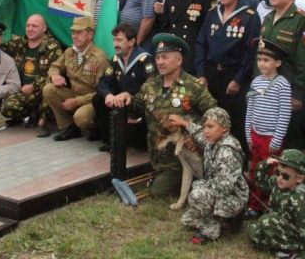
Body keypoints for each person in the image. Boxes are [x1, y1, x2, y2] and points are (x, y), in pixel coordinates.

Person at [120, 33, 217, 197]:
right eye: (157, 57)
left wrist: (197, 138)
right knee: (155, 185)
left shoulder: (193, 86)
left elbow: (214, 116)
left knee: (157, 194)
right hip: (155, 155)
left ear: (179, 60)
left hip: (179, 159)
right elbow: (137, 107)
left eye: (165, 57)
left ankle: (193, 181)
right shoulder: (151, 84)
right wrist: (127, 98)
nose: (159, 62)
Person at [0, 14, 62, 136]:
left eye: (34, 26)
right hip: (21, 90)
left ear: (44, 28)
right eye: (28, 25)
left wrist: (34, 86)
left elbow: (54, 73)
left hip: (42, 90)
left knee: (48, 90)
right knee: (7, 108)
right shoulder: (19, 42)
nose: (30, 29)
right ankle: (25, 115)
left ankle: (43, 121)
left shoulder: (52, 47)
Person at [195, 0, 260, 152]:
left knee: (234, 120)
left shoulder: (250, 17)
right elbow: (201, 43)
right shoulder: (212, 13)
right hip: (211, 73)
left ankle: (237, 160)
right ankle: (210, 156)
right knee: (210, 118)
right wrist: (201, 73)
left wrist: (239, 80)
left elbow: (250, 53)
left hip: (234, 77)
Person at [260, 0, 305, 154]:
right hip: (266, 90)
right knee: (268, 140)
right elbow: (260, 55)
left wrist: (298, 94)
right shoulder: (268, 19)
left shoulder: (303, 20)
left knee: (289, 144)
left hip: (288, 91)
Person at [170, 107, 249, 245]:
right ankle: (225, 221)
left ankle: (212, 231)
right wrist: (184, 123)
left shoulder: (227, 151)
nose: (206, 130)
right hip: (219, 192)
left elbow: (224, 187)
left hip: (232, 196)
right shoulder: (213, 140)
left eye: (210, 126)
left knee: (197, 195)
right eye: (204, 126)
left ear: (224, 128)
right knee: (187, 220)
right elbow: (199, 133)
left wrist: (199, 185)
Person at [244, 39, 291, 217]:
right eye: (260, 60)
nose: (262, 64)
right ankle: (254, 205)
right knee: (256, 170)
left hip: (271, 138)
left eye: (266, 60)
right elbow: (250, 109)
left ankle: (272, 205)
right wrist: (249, 133)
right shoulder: (256, 82)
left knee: (272, 171)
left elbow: (284, 114)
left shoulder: (282, 84)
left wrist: (277, 138)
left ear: (277, 63)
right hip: (256, 134)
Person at [43, 17, 109, 141]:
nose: (74, 36)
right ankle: (70, 127)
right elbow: (54, 66)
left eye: (79, 32)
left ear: (90, 34)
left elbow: (102, 92)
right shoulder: (70, 52)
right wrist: (55, 75)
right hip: (74, 93)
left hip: (91, 99)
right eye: (73, 32)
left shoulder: (99, 58)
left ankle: (96, 129)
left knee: (81, 117)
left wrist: (77, 102)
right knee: (49, 89)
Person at [93, 23, 155, 152]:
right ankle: (111, 140)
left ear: (132, 41)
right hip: (120, 103)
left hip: (137, 104)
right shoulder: (116, 59)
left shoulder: (144, 60)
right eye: (114, 40)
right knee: (98, 98)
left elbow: (152, 87)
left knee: (138, 145)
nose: (115, 44)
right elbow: (103, 81)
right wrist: (108, 95)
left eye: (119, 40)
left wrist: (131, 98)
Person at [247, 149, 305, 258]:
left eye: (285, 176)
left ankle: (291, 251)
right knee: (253, 229)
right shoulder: (277, 182)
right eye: (277, 172)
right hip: (275, 227)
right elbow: (260, 181)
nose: (280, 177)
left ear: (299, 178)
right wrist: (264, 164)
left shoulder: (302, 199)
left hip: (291, 234)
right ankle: (279, 249)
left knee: (266, 221)